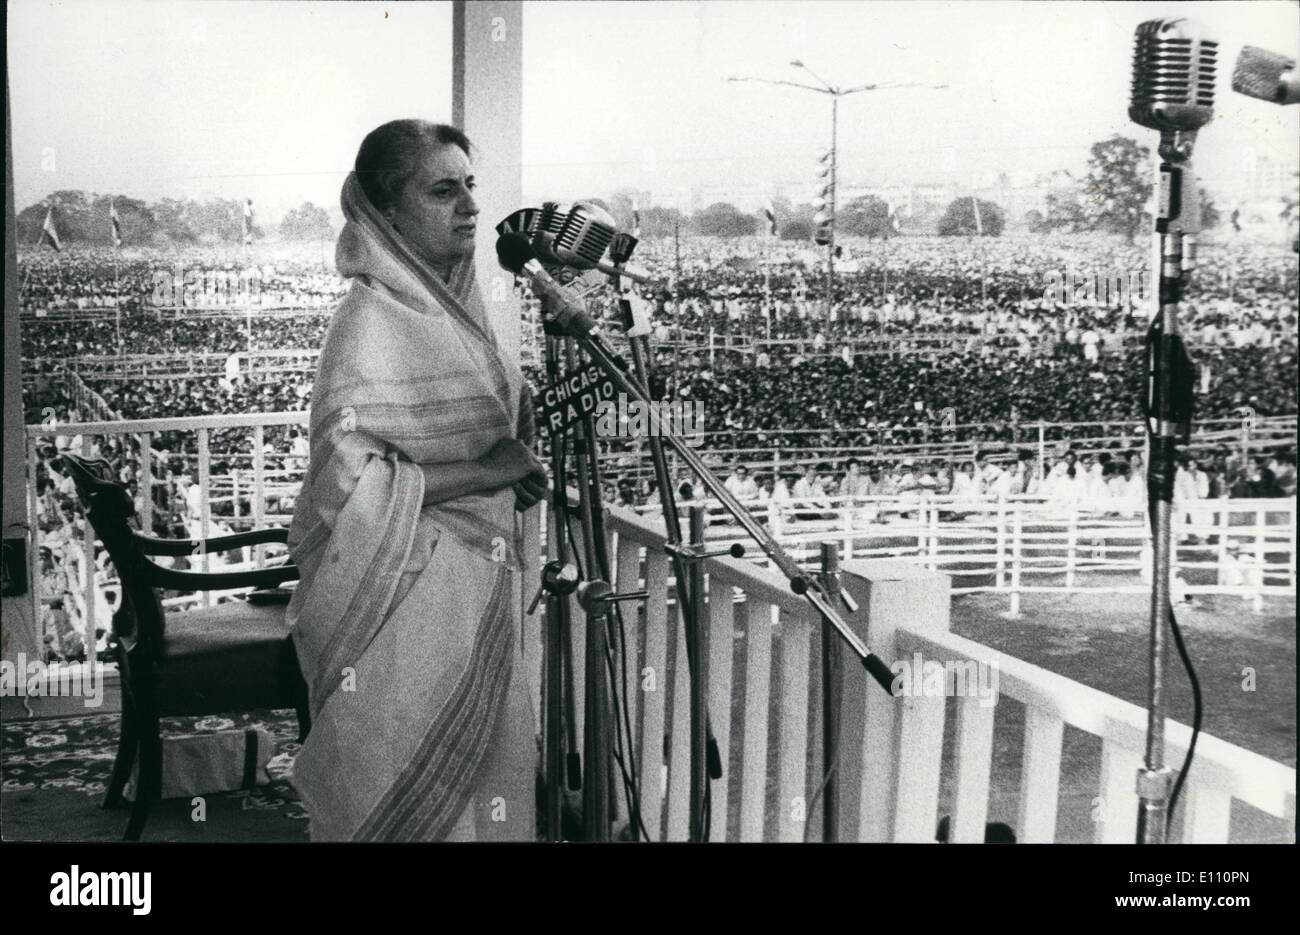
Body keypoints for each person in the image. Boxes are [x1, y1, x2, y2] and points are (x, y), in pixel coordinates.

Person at [286, 120, 544, 842]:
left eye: (470, 186)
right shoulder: (369, 322)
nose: (468, 206)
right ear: (386, 211)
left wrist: (508, 475)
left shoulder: (456, 319)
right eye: (441, 190)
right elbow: (350, 487)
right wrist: (487, 471)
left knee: (484, 797)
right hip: (404, 602)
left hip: (472, 592)